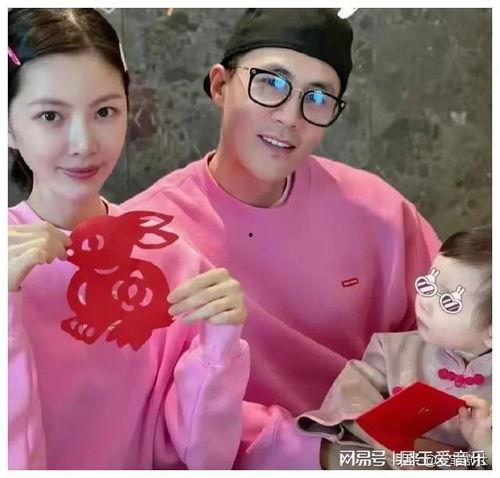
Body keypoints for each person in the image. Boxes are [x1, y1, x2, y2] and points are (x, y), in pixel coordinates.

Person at [122, 8, 441, 414]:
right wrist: (312, 446)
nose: (290, 118)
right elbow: (147, 413)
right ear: (220, 86)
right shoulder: (147, 234)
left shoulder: (380, 213)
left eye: (318, 98)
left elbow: (460, 337)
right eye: (271, 83)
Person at [8, 8, 249, 470]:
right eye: (50, 115)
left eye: (105, 111)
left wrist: (220, 347)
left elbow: (204, 457)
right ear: (8, 125)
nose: (84, 143)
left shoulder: (175, 263)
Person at [236, 226, 491, 469]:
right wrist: (395, 441)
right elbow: (350, 398)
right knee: (337, 455)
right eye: (427, 284)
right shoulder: (391, 350)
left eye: (447, 301)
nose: (425, 301)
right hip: (383, 458)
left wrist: (485, 446)